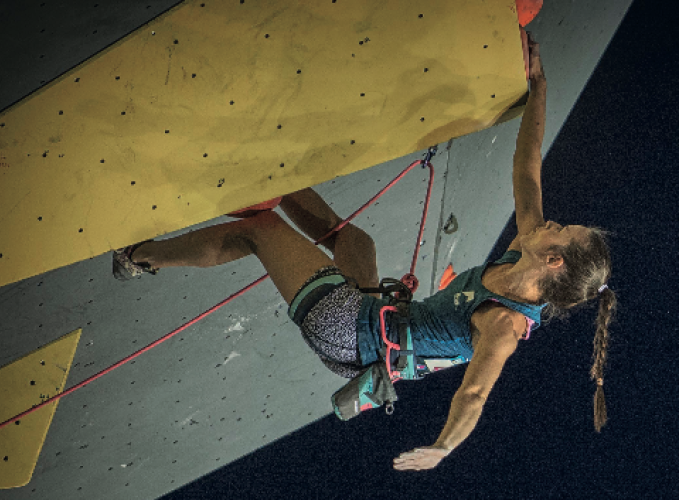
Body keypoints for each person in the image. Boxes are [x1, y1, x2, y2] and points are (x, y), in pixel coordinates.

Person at [112, 33, 616, 471]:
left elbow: (475, 393)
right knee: (356, 243)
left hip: (349, 336)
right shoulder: (521, 254)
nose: (551, 222)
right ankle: (270, 175)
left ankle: (137, 256)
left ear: (554, 261)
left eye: (561, 230)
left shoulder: (505, 325)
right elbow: (527, 171)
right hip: (377, 318)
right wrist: (540, 89)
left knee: (261, 231)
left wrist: (442, 447)